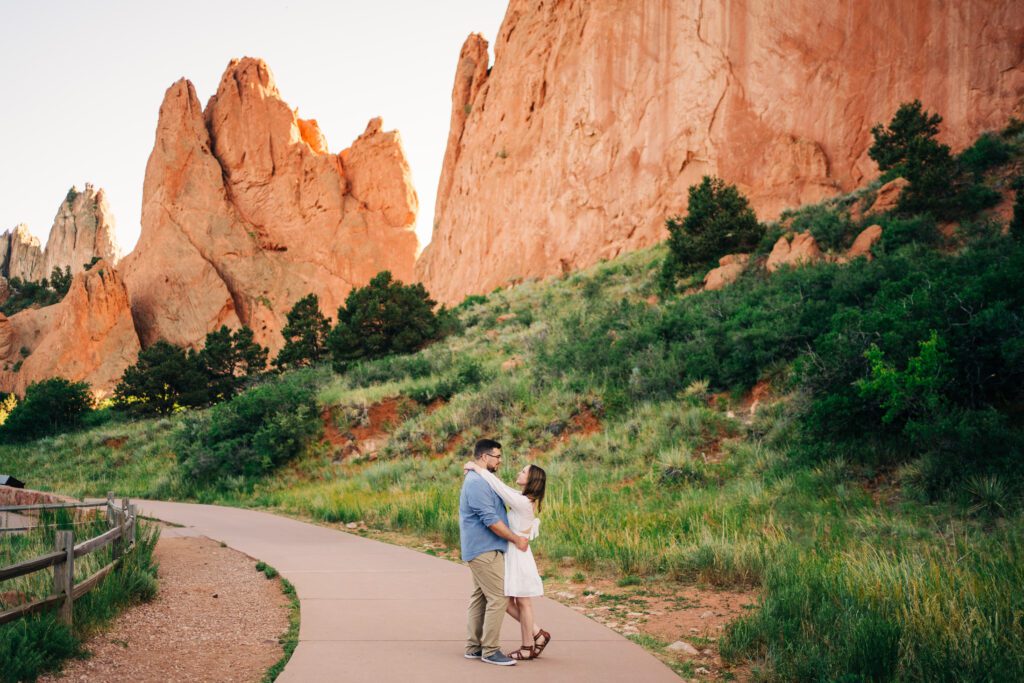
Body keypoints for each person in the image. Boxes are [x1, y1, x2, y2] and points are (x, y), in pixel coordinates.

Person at [463, 457, 552, 661]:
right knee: (511, 599)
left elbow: (500, 487)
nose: (519, 473)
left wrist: (476, 467)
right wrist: (478, 471)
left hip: (517, 555)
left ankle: (528, 645)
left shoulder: (522, 502)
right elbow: (503, 489)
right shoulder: (522, 497)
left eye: (523, 471)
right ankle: (537, 635)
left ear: (532, 480)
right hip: (512, 552)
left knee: (521, 601)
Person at [459, 439, 528, 666]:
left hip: (485, 547)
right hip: (483, 548)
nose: (500, 461)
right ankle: (490, 650)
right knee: (499, 597)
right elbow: (491, 520)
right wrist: (516, 539)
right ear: (485, 457)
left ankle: (473, 647)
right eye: (497, 456)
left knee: (480, 598)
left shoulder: (483, 478)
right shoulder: (477, 483)